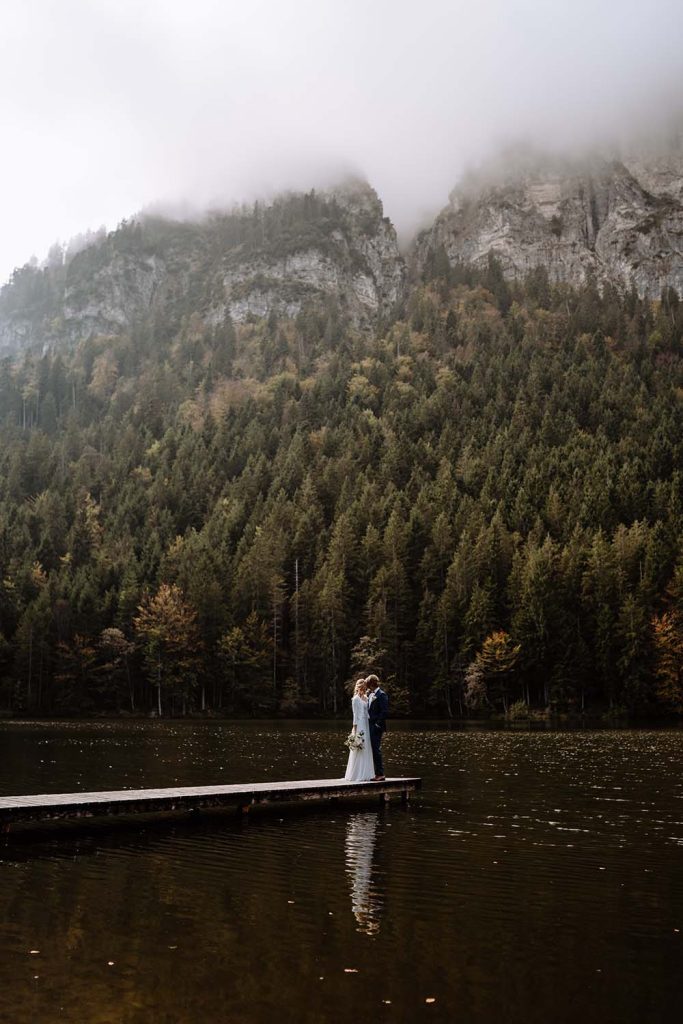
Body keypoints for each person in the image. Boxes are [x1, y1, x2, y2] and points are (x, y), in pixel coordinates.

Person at [344, 677, 375, 782]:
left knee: (367, 747)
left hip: (366, 724)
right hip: (360, 725)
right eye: (362, 688)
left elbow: (368, 712)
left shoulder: (365, 698)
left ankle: (368, 773)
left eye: (364, 688)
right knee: (359, 748)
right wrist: (354, 731)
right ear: (358, 688)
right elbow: (355, 715)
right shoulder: (355, 699)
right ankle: (357, 773)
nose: (363, 690)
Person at [365, 674, 389, 780]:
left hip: (376, 727)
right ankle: (374, 773)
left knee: (376, 749)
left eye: (368, 684)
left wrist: (377, 724)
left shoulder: (381, 695)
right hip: (369, 725)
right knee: (372, 749)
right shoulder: (370, 694)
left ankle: (380, 774)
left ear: (371, 684)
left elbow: (384, 712)